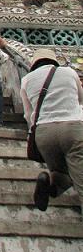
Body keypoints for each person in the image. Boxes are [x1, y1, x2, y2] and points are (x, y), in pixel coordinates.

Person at [20, 48, 83, 211]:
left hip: (44, 133)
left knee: (61, 172)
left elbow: (28, 115)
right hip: (71, 127)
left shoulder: (26, 79)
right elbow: (80, 100)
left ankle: (48, 187)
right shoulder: (69, 72)